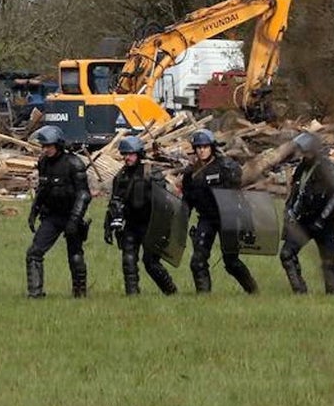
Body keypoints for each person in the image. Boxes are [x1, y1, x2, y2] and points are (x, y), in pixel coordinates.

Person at [181, 128, 258, 294]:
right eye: (198, 147)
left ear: (212, 147)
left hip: (227, 218)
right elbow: (187, 200)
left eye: (205, 147)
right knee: (197, 261)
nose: (202, 150)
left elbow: (238, 197)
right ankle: (204, 297)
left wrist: (247, 224)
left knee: (231, 262)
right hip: (206, 219)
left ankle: (253, 290)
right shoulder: (191, 173)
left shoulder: (226, 167)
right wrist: (181, 221)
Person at [104, 136, 177, 296]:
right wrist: (108, 224)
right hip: (131, 224)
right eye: (125, 154)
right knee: (128, 261)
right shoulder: (121, 176)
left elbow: (164, 202)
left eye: (131, 154)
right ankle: (132, 295)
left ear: (139, 154)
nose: (127, 158)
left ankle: (171, 292)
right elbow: (114, 201)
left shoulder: (151, 173)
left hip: (151, 225)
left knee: (151, 263)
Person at [25, 125, 92, 298]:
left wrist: (75, 219)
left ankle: (80, 294)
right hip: (52, 216)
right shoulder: (43, 162)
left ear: (59, 145)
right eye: (43, 146)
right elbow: (43, 189)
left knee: (75, 255)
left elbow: (84, 195)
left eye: (49, 146)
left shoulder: (74, 163)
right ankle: (35, 294)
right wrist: (34, 211)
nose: (45, 149)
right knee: (34, 253)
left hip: (72, 216)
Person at [279, 132, 334, 294]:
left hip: (324, 222)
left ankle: (333, 295)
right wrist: (289, 209)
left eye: (304, 151)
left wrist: (322, 220)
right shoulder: (302, 168)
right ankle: (300, 292)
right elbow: (296, 191)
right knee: (287, 254)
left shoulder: (328, 168)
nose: (302, 154)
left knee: (328, 260)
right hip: (303, 220)